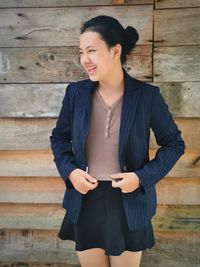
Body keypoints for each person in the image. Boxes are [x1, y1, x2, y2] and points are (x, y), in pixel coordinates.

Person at [49, 15, 185, 267]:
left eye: (91, 51)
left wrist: (141, 178)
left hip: (129, 204)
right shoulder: (76, 93)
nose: (84, 59)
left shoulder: (147, 97)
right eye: (81, 52)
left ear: (115, 50)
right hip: (85, 200)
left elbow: (174, 144)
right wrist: (71, 172)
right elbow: (59, 138)